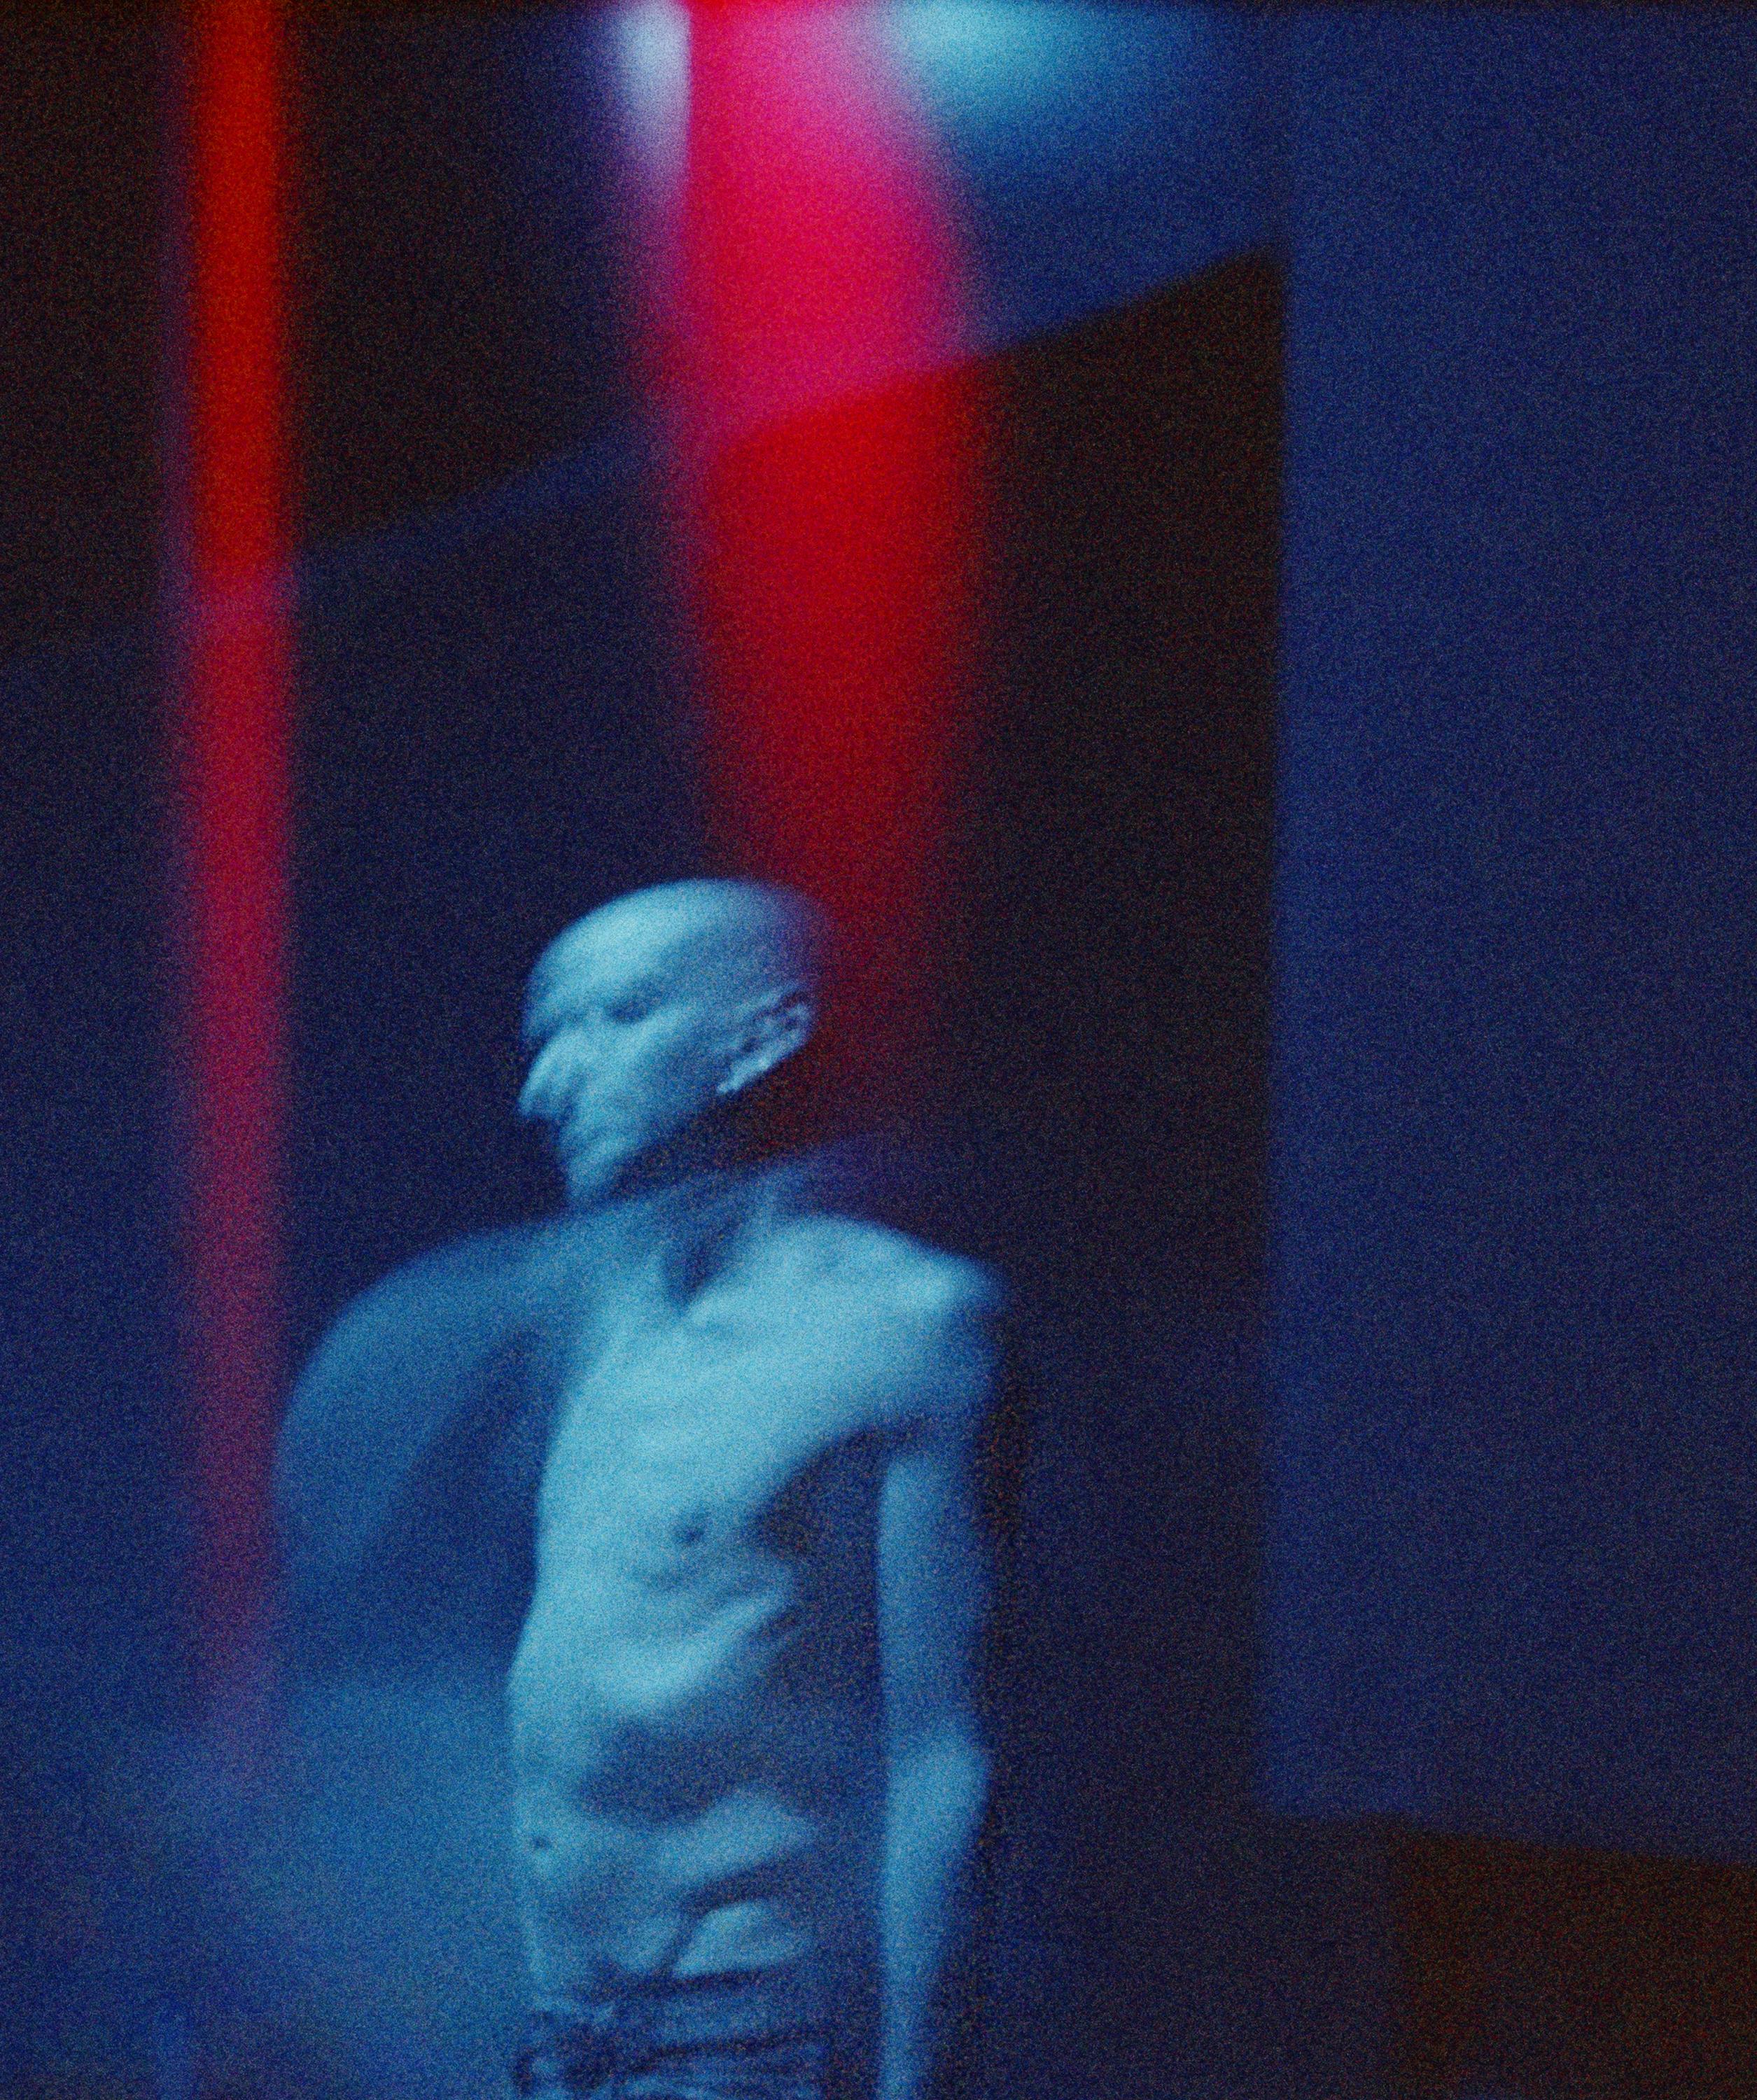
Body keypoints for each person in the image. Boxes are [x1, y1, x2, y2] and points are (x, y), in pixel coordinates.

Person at [277, 880, 997, 2100]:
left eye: (611, 1018)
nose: (548, 1083)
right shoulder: (587, 1310)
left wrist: (920, 2083)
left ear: (757, 1038)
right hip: (564, 2025)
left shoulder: (906, 1333)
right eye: (544, 1036)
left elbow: (945, 1755)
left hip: (743, 2032)